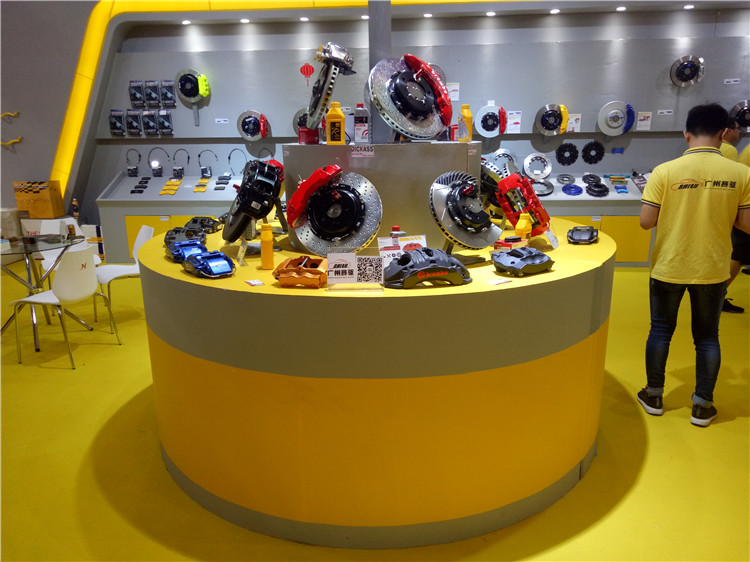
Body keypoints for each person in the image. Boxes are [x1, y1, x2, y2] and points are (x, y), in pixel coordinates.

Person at [637, 103, 750, 427]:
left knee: (661, 330)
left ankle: (654, 396)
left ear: (687, 134)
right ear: (723, 133)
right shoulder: (741, 174)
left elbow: (646, 221)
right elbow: (746, 224)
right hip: (713, 268)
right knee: (708, 338)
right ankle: (702, 406)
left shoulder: (664, 171)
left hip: (669, 265)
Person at [719, 119, 747, 312]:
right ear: (727, 131)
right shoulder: (728, 150)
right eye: (738, 129)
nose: (740, 133)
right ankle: (718, 296)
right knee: (738, 252)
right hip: (737, 206)